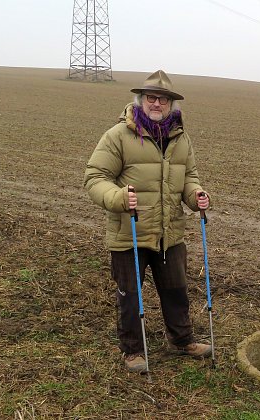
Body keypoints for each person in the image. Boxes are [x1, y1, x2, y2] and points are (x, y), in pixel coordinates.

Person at [84, 70, 212, 372]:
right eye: (152, 98)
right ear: (140, 101)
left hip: (169, 231)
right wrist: (117, 198)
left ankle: (182, 341)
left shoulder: (180, 138)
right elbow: (95, 177)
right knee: (131, 296)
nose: (158, 103)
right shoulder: (117, 136)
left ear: (171, 105)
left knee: (177, 290)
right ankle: (132, 351)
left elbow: (189, 178)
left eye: (164, 100)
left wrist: (196, 196)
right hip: (129, 231)